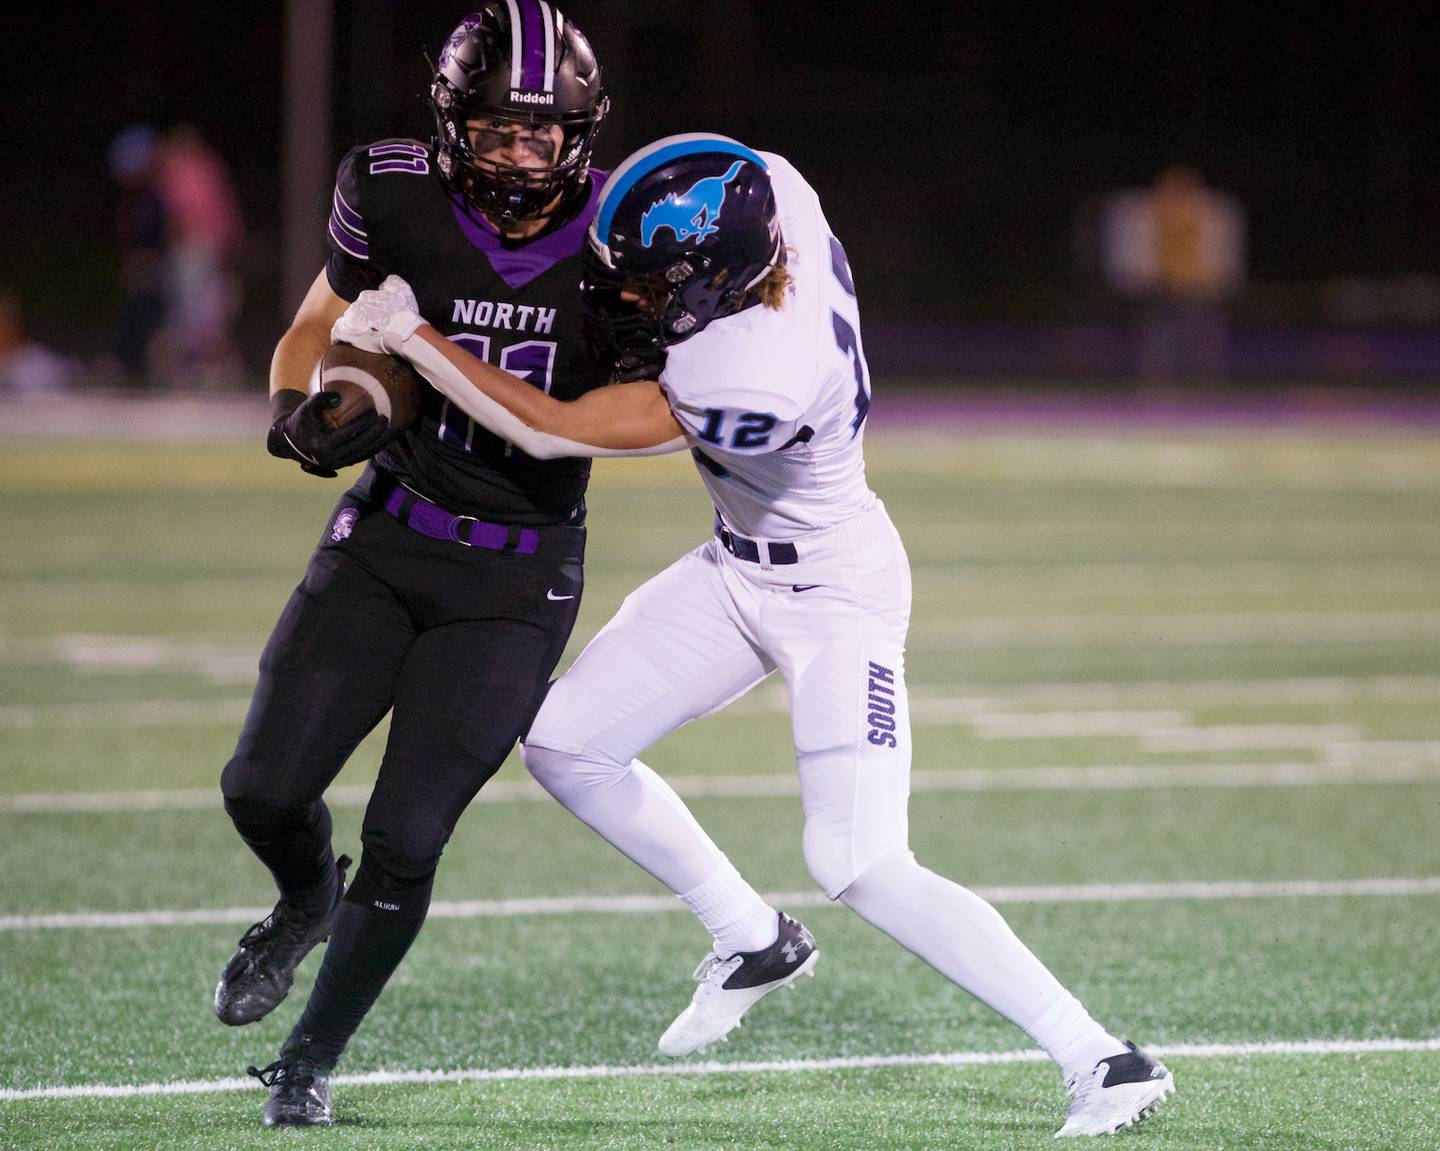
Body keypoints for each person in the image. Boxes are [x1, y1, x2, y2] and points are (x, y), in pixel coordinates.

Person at [334, 133, 1177, 1138]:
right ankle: (753, 935)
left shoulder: (751, 382)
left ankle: (1103, 1055)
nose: (627, 297)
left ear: (713, 279)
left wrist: (418, 337)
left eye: (647, 286)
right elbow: (709, 185)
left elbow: (554, 427)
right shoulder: (775, 189)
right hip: (738, 566)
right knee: (565, 742)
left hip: (835, 591)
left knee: (861, 860)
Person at [216, 3, 625, 1128]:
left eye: (542, 135)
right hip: (392, 528)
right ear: (450, 124)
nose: (518, 155)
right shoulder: (392, 187)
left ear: (581, 134)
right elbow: (321, 327)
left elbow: (605, 416)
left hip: (515, 574)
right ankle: (305, 896)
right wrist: (306, 411)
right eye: (496, 131)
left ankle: (309, 1055)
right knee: (259, 786)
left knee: (407, 833)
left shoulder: (622, 228)